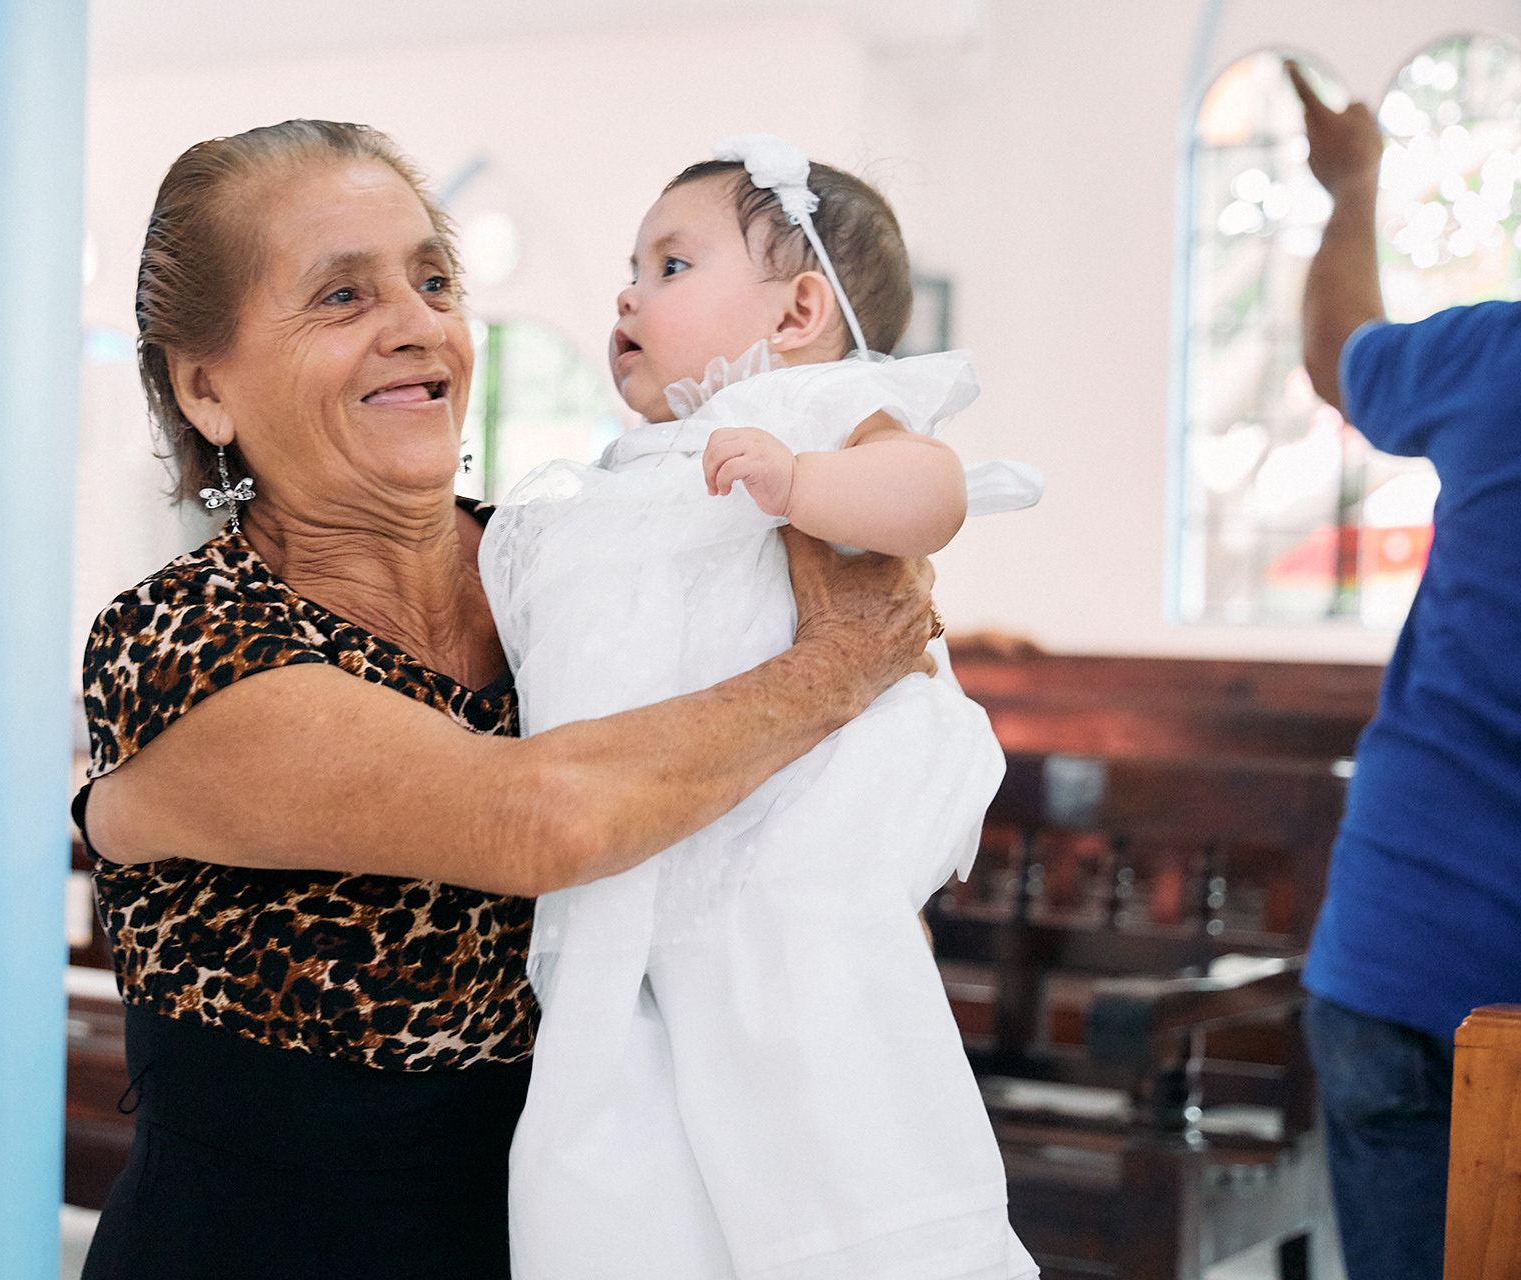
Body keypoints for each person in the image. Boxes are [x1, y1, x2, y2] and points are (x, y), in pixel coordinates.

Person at [69, 119, 942, 1280]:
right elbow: (541, 819)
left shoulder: (565, 571)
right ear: (206, 386)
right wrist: (836, 663)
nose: (419, 324)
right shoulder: (177, 636)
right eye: (342, 295)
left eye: (434, 281)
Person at [484, 135, 1041, 1280]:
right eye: (630, 270)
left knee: (816, 1081)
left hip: (790, 841)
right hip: (641, 855)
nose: (629, 294)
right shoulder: (624, 472)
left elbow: (931, 493)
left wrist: (805, 482)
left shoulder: (820, 409)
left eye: (671, 265)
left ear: (797, 312)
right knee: (619, 1116)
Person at [1288, 63, 1521, 1280]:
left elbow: (1341, 353)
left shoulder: (1504, 357)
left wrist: (1352, 188)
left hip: (1407, 938)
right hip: (1416, 960)